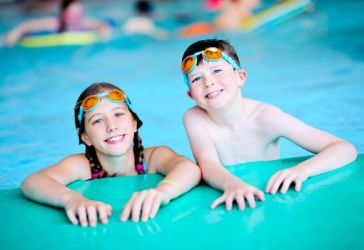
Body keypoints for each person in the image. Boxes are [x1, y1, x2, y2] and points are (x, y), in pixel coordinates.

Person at [181, 39, 357, 211]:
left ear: (240, 77)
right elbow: (207, 163)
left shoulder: (266, 117)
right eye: (196, 79)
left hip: (271, 195)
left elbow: (344, 148)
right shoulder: (194, 118)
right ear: (190, 95)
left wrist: (301, 171)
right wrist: (232, 185)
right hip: (231, 191)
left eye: (217, 70)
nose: (208, 82)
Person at [21, 82, 201, 226]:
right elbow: (32, 181)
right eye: (98, 120)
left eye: (118, 115)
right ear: (85, 137)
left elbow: (189, 168)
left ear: (134, 123)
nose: (111, 126)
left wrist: (162, 193)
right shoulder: (82, 166)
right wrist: (72, 199)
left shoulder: (152, 158)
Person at [4, 0, 111, 47]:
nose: (74, 20)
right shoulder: (56, 24)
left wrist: (104, 34)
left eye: (77, 16)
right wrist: (14, 33)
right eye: (71, 16)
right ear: (63, 15)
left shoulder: (83, 23)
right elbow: (29, 25)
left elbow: (100, 25)